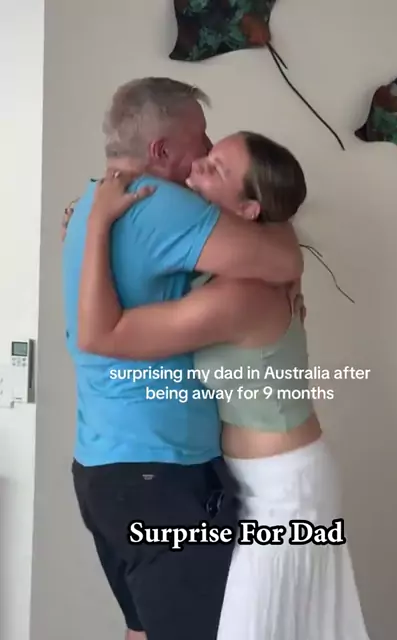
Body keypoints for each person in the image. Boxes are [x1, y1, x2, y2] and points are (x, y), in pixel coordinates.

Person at [73, 130, 371, 640]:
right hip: (250, 479)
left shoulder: (241, 295)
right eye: (208, 156)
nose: (197, 167)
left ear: (249, 209)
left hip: (286, 490)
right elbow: (281, 232)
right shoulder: (236, 265)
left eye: (216, 169)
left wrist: (96, 224)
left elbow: (103, 335)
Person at [62, 77, 303, 640]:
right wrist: (279, 230)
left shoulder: (97, 198)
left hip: (102, 469)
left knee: (143, 629)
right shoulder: (161, 204)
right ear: (161, 150)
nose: (207, 147)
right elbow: (281, 259)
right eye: (201, 138)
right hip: (161, 472)